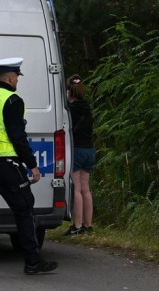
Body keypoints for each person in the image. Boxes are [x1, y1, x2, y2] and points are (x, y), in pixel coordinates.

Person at [0, 57, 57, 274]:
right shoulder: (12, 100)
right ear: (11, 78)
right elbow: (17, 136)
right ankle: (33, 261)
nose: (17, 83)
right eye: (17, 79)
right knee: (24, 210)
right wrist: (32, 165)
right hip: (7, 164)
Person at [65, 74, 94, 236]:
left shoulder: (71, 110)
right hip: (90, 151)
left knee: (76, 189)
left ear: (69, 92)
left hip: (77, 151)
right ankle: (88, 225)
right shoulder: (87, 107)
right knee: (86, 189)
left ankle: (77, 226)